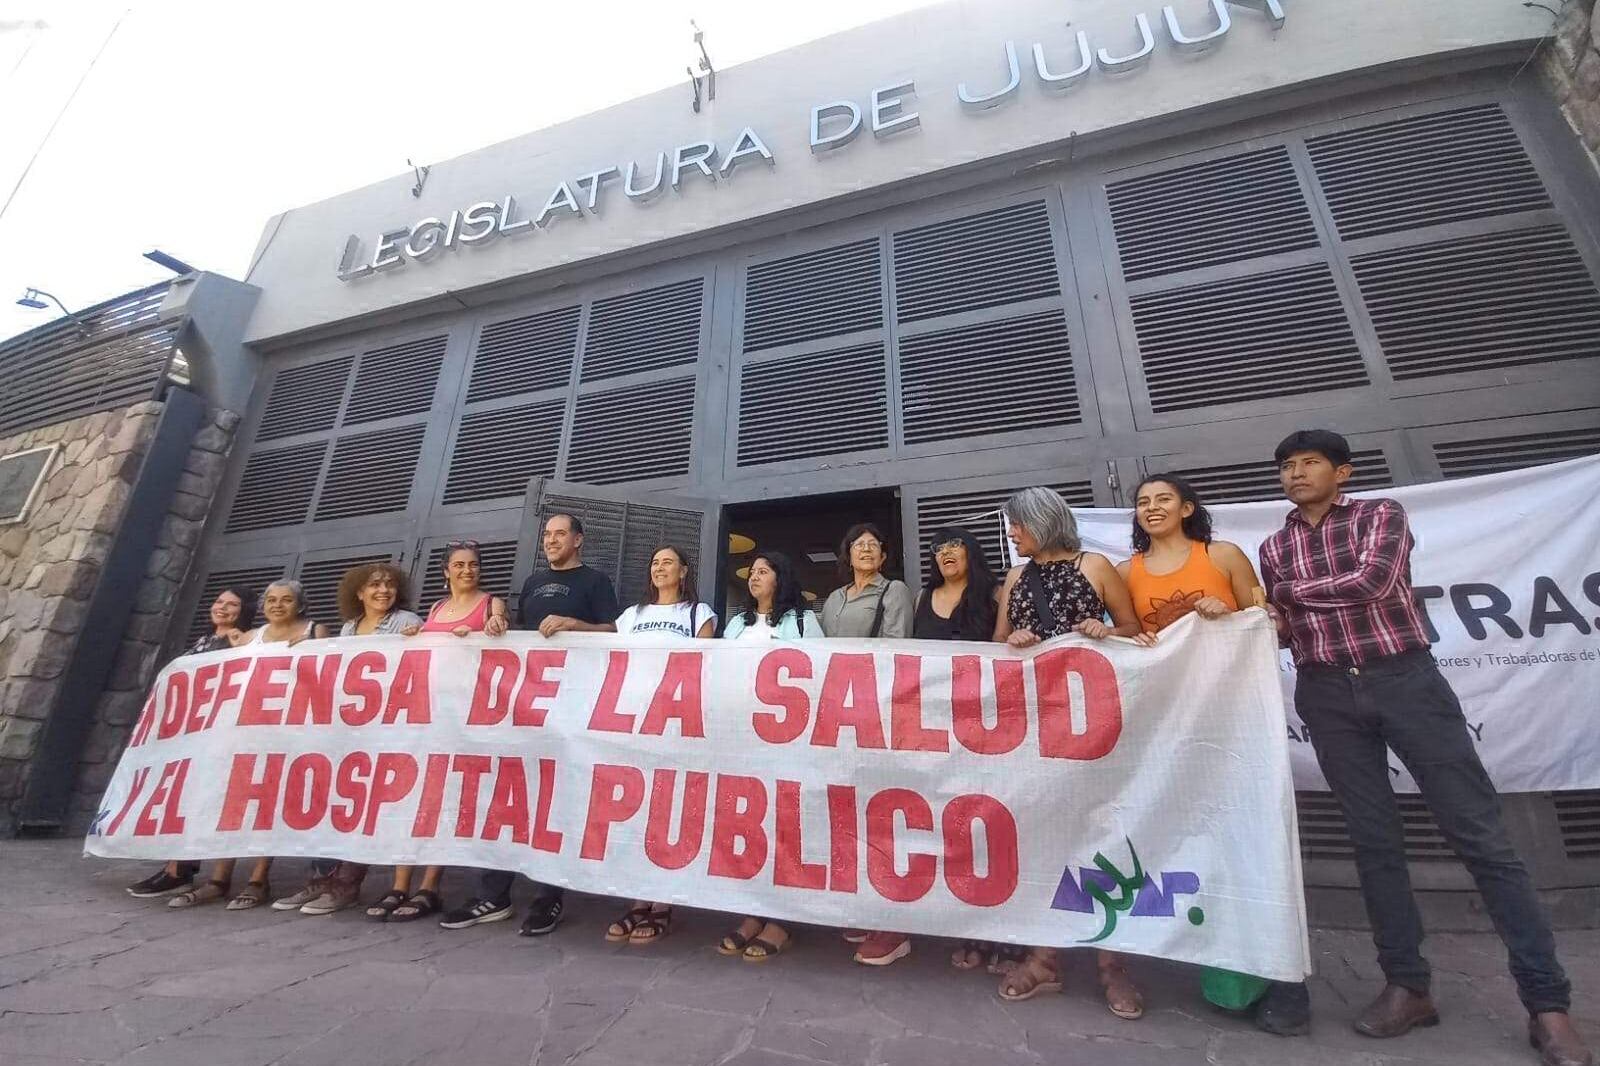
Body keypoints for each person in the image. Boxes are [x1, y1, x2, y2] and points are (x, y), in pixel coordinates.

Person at [1259, 430, 1591, 1066]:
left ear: (1342, 471)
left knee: (1481, 838)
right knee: (1373, 841)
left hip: (1405, 681)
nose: (1296, 473)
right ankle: (1407, 986)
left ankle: (1547, 1004)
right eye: (1286, 466)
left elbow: (1374, 582)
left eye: (1309, 463)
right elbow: (1286, 627)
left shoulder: (1382, 515)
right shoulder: (1274, 545)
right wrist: (1257, 620)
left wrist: (1287, 598)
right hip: (1325, 693)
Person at [1117, 474, 1282, 1025]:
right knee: (1178, 835)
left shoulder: (1225, 556)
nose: (1151, 508)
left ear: (1188, 508)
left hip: (1232, 720)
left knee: (1237, 838)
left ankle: (1248, 979)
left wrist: (1230, 614)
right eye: (1142, 502)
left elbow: (1268, 626)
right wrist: (1117, 635)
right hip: (1165, 724)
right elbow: (1120, 638)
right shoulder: (1126, 572)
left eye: (1163, 499)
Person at [992, 487, 1147, 1020]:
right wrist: (1014, 640)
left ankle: (1113, 964)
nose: (1012, 534)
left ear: (1044, 521)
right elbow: (995, 644)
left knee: (1106, 834)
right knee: (1044, 834)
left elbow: (1134, 629)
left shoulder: (1097, 566)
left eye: (1018, 525)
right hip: (1033, 724)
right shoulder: (1014, 579)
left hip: (1094, 721)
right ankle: (1045, 956)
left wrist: (1106, 631)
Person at [439, 515, 617, 936]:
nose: (552, 540)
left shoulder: (596, 581)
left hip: (572, 707)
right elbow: (521, 639)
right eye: (548, 534)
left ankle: (548, 897)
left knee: (555, 800)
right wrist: (496, 628)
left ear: (578, 540)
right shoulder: (534, 582)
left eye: (561, 534)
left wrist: (575, 625)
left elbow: (612, 631)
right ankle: (493, 894)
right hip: (525, 708)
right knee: (509, 797)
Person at [168, 580, 328, 911]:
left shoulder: (316, 631)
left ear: (300, 605)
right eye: (271, 600)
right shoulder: (251, 637)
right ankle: (218, 879)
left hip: (291, 731)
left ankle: (258, 879)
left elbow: (328, 675)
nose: (278, 605)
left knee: (267, 801)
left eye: (286, 600)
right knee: (234, 801)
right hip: (248, 730)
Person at [603, 545, 716, 945]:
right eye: (654, 562)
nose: (660, 567)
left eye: (668, 561)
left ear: (684, 570)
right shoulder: (632, 616)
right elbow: (602, 644)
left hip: (674, 727)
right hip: (634, 727)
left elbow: (703, 666)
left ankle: (664, 902)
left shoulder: (699, 615)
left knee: (669, 813)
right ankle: (638, 900)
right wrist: (565, 623)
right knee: (636, 812)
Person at [718, 551, 823, 961]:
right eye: (752, 572)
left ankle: (782, 919)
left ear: (781, 578)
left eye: (764, 571)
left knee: (786, 824)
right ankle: (752, 911)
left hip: (788, 745)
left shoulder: (803, 621)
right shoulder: (737, 624)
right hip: (742, 742)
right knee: (749, 824)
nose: (755, 577)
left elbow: (820, 675)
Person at [125, 586, 256, 900]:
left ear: (244, 611)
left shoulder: (245, 641)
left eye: (232, 604)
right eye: (219, 601)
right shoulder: (203, 642)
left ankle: (187, 870)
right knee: (181, 798)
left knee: (206, 798)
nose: (222, 608)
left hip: (220, 735)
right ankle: (176, 867)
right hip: (189, 735)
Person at [819, 522, 914, 641]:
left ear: (882, 557)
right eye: (859, 544)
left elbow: (896, 646)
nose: (866, 549)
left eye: (873, 544)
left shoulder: (894, 591)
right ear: (849, 557)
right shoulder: (834, 597)